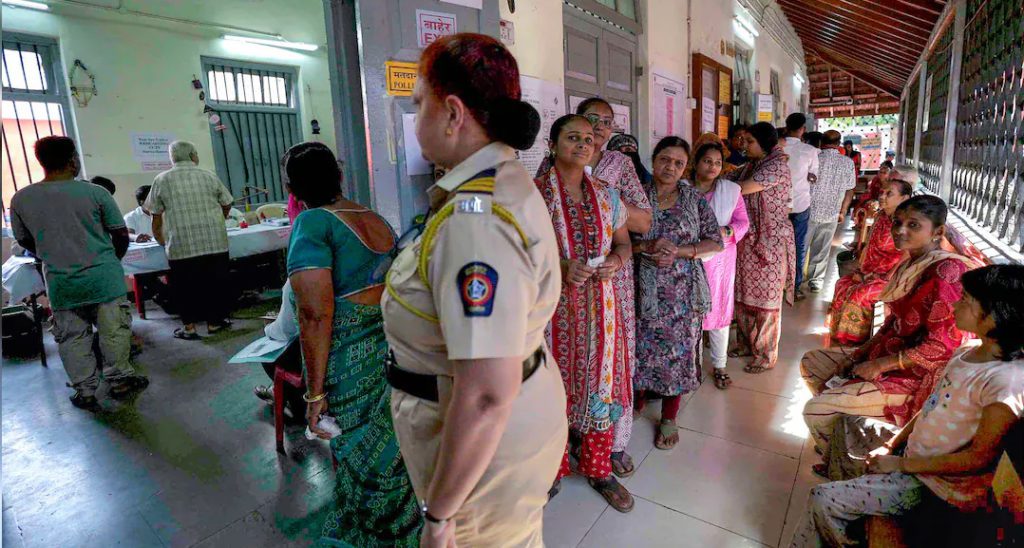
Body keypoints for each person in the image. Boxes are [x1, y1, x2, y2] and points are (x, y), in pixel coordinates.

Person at [383, 34, 567, 547]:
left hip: (480, 443)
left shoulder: (476, 220)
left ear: (452, 113)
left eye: (420, 103)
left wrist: (440, 516)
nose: (415, 119)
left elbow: (485, 393)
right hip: (512, 412)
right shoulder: (498, 182)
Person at [792, 264, 1024, 547]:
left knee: (822, 499)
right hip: (913, 456)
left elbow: (977, 459)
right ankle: (854, 499)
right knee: (847, 423)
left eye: (965, 300)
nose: (955, 304)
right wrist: (892, 446)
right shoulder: (967, 352)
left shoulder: (1004, 383)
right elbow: (930, 408)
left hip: (934, 484)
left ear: (996, 315)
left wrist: (901, 464)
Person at [283, 142, 420, 546]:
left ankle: (378, 535)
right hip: (389, 347)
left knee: (359, 450)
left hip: (349, 359)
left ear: (292, 189)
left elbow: (315, 315)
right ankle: (405, 528)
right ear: (339, 175)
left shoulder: (313, 224)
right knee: (389, 447)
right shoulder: (373, 217)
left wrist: (314, 394)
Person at [800, 196, 978, 476]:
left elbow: (942, 346)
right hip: (889, 356)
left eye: (913, 225)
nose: (900, 230)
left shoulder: (947, 272)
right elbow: (892, 324)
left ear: (938, 232)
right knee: (812, 363)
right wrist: (858, 356)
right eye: (898, 223)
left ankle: (850, 469)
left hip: (917, 376)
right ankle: (841, 441)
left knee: (816, 411)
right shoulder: (913, 264)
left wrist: (880, 365)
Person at [537, 113, 634, 511]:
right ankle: (551, 469)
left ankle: (598, 468)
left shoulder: (607, 195)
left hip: (602, 311)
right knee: (549, 389)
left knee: (601, 385)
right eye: (572, 137)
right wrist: (560, 266)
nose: (582, 144)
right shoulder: (534, 195)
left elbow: (624, 244)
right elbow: (518, 251)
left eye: (588, 139)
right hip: (550, 312)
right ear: (552, 145)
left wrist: (616, 260)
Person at [9, 136, 148, 409]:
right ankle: (120, 380)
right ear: (73, 160)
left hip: (61, 282)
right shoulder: (96, 193)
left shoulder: (21, 198)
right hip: (103, 279)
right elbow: (120, 234)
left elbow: (24, 240)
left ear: (41, 161)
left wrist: (52, 255)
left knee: (72, 338)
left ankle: (84, 390)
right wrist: (111, 260)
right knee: (113, 332)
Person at [575, 96, 652, 477]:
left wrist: (606, 197)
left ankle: (615, 444)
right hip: (570, 276)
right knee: (574, 353)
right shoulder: (556, 162)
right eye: (592, 118)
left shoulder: (620, 165)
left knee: (614, 357)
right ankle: (574, 436)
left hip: (611, 275)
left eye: (607, 121)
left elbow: (644, 222)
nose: (600, 126)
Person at [633, 137, 722, 448]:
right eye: (665, 159)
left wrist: (679, 251)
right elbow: (619, 239)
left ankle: (669, 417)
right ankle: (636, 401)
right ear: (653, 159)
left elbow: (715, 242)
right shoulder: (636, 196)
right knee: (639, 347)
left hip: (681, 291)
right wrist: (646, 247)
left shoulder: (694, 200)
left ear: (685, 168)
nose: (670, 167)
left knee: (677, 353)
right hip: (640, 287)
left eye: (678, 163)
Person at [145, 140, 235, 340]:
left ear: (172, 158)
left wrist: (161, 239)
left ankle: (189, 328)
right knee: (214, 284)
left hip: (180, 245)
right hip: (214, 242)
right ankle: (214, 323)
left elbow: (155, 214)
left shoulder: (161, 179)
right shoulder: (208, 175)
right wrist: (219, 219)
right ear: (193, 155)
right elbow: (227, 203)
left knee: (184, 288)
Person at [726, 121, 796, 374]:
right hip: (748, 240)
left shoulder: (776, 166)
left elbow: (741, 188)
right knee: (744, 297)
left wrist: (714, 184)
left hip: (771, 242)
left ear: (765, 143)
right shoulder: (752, 165)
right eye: (743, 141)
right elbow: (728, 178)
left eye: (750, 141)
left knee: (766, 301)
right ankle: (746, 344)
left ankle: (766, 354)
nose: (744, 146)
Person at [691, 141, 749, 389]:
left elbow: (742, 222)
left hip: (719, 261)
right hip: (689, 258)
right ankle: (691, 365)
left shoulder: (731, 191)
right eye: (707, 161)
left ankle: (719, 365)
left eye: (717, 162)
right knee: (690, 313)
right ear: (695, 162)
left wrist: (725, 231)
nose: (712, 167)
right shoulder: (682, 189)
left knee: (718, 310)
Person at [829, 178, 912, 346]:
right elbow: (869, 245)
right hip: (870, 270)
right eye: (882, 192)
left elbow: (908, 253)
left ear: (904, 198)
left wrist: (887, 276)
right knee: (842, 284)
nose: (882, 196)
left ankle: (856, 340)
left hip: (891, 277)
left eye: (889, 194)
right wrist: (861, 269)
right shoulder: (881, 216)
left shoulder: (906, 224)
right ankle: (840, 335)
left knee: (860, 294)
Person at [804, 130, 857, 293]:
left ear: (822, 142)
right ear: (838, 144)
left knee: (800, 247)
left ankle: (793, 280)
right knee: (822, 248)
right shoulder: (847, 163)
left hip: (807, 210)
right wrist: (843, 210)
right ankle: (815, 281)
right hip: (832, 212)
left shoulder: (813, 158)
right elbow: (850, 190)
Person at [782, 113, 820, 300]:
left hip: (779, 205)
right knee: (798, 246)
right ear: (803, 129)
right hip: (800, 204)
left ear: (786, 126)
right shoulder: (810, 151)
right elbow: (814, 177)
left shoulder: (777, 147)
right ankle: (794, 287)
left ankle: (776, 284)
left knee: (777, 245)